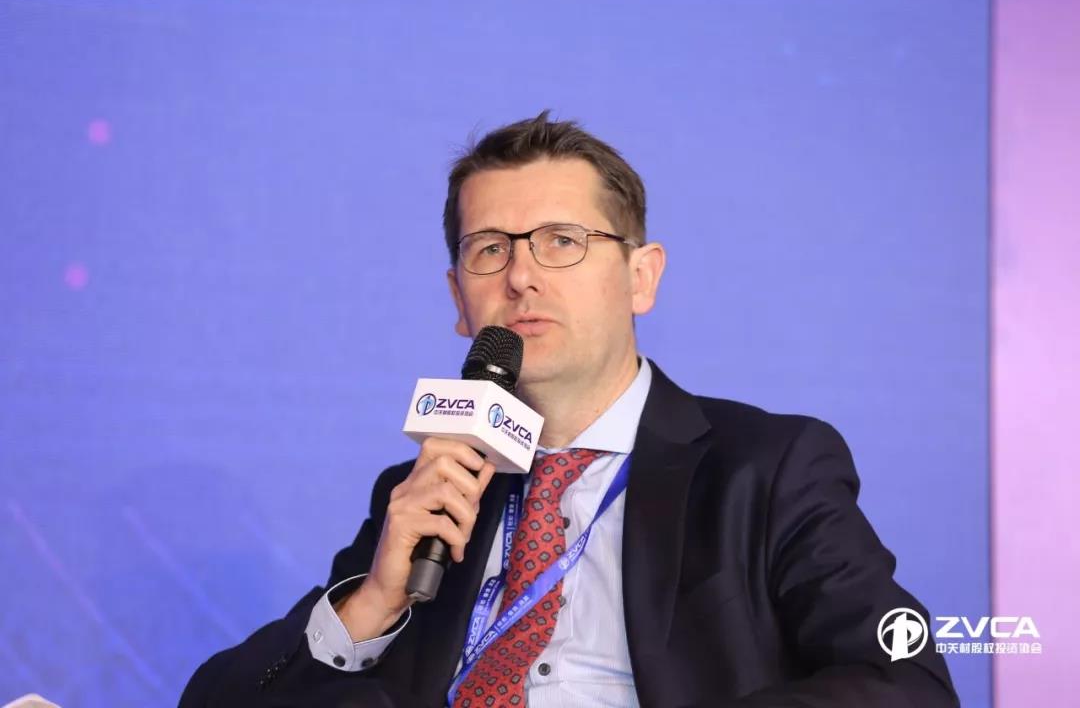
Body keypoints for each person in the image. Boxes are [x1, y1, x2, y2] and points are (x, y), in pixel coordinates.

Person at [180, 112, 958, 708]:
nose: (521, 277)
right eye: (490, 249)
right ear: (459, 300)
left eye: (561, 241)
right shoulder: (429, 493)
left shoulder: (766, 468)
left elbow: (906, 682)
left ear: (641, 278)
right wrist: (374, 601)